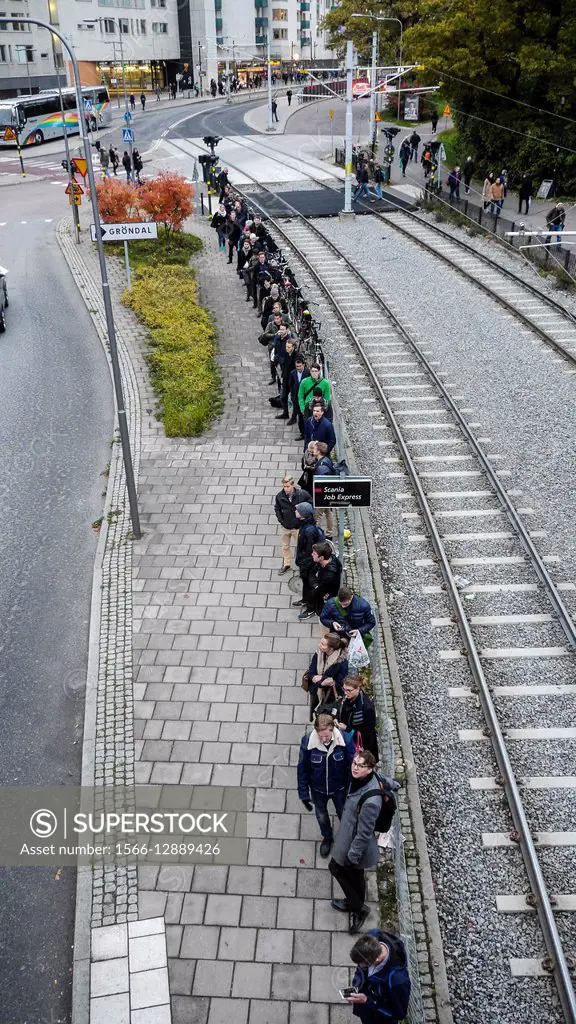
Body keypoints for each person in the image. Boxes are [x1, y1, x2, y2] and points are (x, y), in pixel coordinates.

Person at [329, 749, 381, 933]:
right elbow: (384, 781)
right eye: (354, 763)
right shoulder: (366, 778)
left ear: (370, 769)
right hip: (348, 837)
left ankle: (358, 908)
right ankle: (354, 902)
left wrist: (352, 855)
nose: (355, 768)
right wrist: (395, 783)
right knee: (356, 875)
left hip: (354, 846)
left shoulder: (371, 802)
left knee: (336, 868)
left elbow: (364, 833)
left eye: (360, 765)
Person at [298, 714, 355, 858]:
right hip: (318, 790)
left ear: (333, 729)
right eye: (320, 736)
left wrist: (351, 789)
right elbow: (302, 769)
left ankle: (348, 837)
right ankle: (327, 838)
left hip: (340, 789)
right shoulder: (307, 742)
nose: (323, 739)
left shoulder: (345, 740)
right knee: (322, 817)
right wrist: (304, 794)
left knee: (344, 814)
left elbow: (351, 768)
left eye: (326, 736)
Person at [347, 929, 411, 1021]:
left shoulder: (398, 982)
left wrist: (367, 1001)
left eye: (364, 966)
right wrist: (356, 986)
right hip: (367, 1010)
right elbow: (360, 970)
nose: (360, 967)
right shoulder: (371, 938)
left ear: (376, 960)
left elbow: (398, 1014)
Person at [305, 633, 349, 718]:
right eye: (320, 642)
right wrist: (316, 678)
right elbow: (311, 671)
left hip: (329, 698)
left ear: (331, 648)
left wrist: (322, 678)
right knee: (316, 708)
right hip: (316, 692)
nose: (319, 645)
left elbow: (340, 684)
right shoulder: (319, 653)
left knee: (324, 715)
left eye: (323, 644)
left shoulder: (342, 663)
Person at [274, 475, 311, 575]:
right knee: (285, 547)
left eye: (287, 486)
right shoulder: (280, 496)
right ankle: (287, 564)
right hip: (285, 527)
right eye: (284, 486)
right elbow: (277, 508)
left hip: (297, 527)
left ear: (292, 485)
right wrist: (281, 520)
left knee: (301, 547)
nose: (285, 489)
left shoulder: (301, 494)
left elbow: (310, 504)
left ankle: (303, 565)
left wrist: (304, 520)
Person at [337, 676, 379, 760]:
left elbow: (368, 733)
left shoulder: (367, 708)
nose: (345, 693)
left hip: (361, 745)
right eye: (344, 689)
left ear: (358, 689)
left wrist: (347, 729)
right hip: (347, 738)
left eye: (348, 690)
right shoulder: (348, 697)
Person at [299, 541, 342, 620]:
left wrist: (315, 584)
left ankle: (311, 610)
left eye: (314, 554)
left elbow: (320, 590)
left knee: (315, 596)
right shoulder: (327, 559)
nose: (312, 554)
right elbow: (312, 573)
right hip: (318, 585)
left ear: (321, 558)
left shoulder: (330, 574)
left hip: (325, 592)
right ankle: (306, 602)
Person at [294, 502, 324, 597]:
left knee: (308, 583)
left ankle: (309, 604)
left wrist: (303, 564)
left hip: (307, 563)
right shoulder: (305, 524)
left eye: (298, 511)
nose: (295, 511)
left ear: (303, 514)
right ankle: (305, 600)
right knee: (305, 583)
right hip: (305, 561)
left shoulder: (309, 531)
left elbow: (309, 551)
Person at [312, 441, 335, 539]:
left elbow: (320, 484)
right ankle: (329, 533)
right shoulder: (326, 460)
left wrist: (317, 496)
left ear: (319, 451)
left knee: (317, 516)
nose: (313, 450)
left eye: (314, 449)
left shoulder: (321, 467)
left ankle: (315, 535)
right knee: (328, 512)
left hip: (322, 495)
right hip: (327, 493)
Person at [277, 338, 298, 420]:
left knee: (294, 399)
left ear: (293, 347)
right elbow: (285, 367)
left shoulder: (297, 356)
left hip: (292, 382)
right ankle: (285, 413)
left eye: (289, 347)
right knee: (283, 397)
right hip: (286, 380)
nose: (287, 348)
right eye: (286, 347)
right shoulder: (286, 353)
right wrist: (282, 376)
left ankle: (294, 417)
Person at [289, 354, 310, 428]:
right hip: (296, 397)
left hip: (304, 398)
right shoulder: (293, 373)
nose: (298, 368)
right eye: (297, 366)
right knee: (296, 410)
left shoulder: (308, 373)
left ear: (303, 365)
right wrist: (292, 396)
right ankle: (295, 420)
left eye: (300, 366)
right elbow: (291, 385)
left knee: (303, 416)